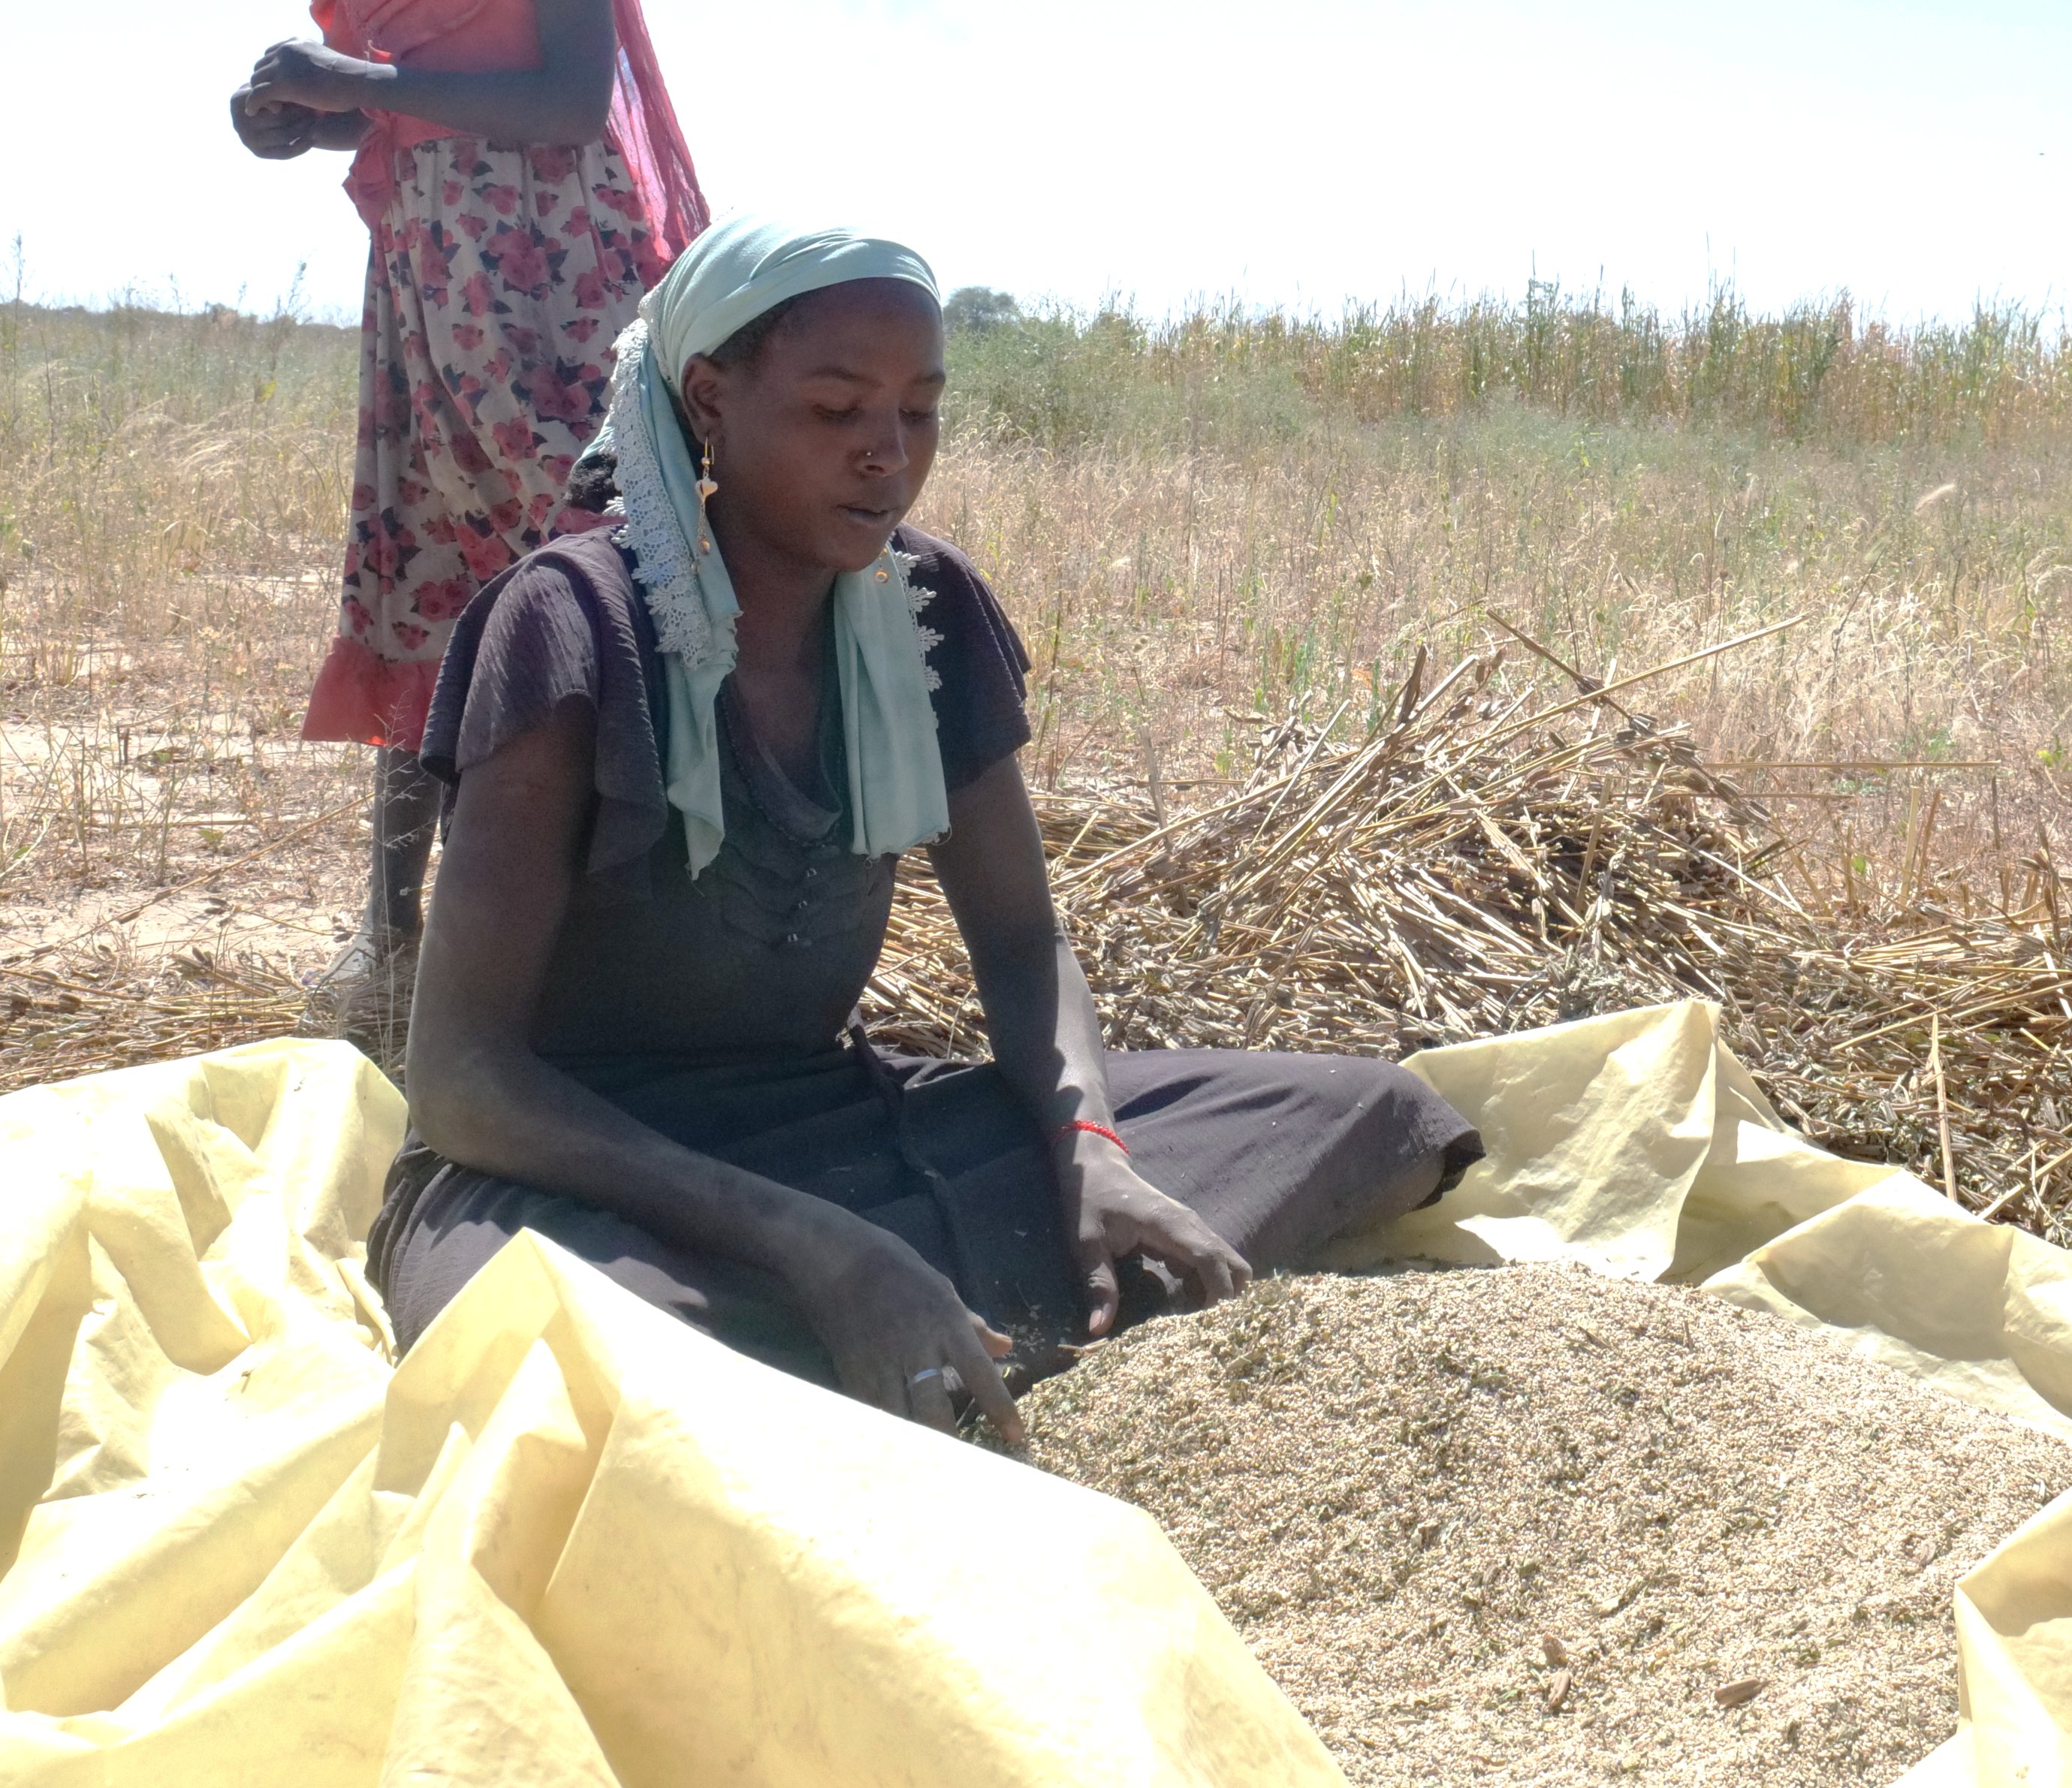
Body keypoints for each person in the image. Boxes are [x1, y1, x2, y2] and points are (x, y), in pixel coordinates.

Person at [369, 218, 1482, 1437]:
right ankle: (889, 1315)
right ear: (711, 401)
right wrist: (815, 1243)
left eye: (920, 413)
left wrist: (1091, 1152)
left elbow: (1019, 945)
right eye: (836, 411)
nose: (886, 457)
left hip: (833, 1123)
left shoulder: (926, 606)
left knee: (1367, 1113)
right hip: (571, 1175)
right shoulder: (574, 624)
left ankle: (907, 1317)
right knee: (594, 1373)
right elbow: (462, 1081)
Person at [229, 0, 706, 1038]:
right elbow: (407, 117)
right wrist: (293, 118)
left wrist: (355, 87)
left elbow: (564, 103)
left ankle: (624, 939)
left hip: (551, 284)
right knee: (421, 576)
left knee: (586, 573)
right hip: (430, 292)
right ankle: (391, 940)